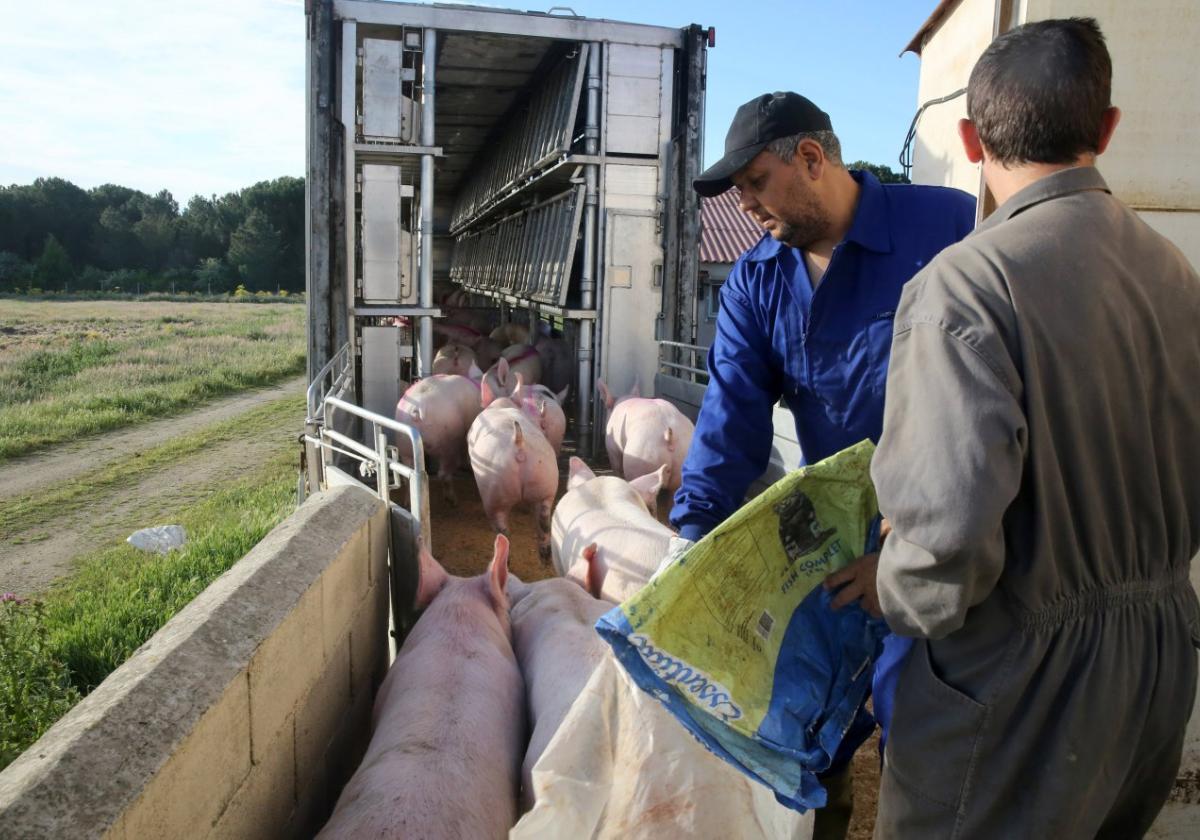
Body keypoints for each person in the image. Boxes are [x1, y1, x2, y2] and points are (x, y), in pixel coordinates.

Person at [868, 17, 1200, 838]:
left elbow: (946, 542)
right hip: (1158, 663)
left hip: (1019, 685)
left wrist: (891, 589)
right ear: (1108, 128)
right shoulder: (1174, 273)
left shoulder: (969, 285)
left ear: (971, 138)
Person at [668, 90, 975, 838]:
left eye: (755, 184)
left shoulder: (948, 229)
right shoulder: (758, 280)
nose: (746, 207)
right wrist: (689, 535)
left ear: (811, 158)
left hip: (946, 530)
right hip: (836, 540)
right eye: (737, 192)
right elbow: (730, 417)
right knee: (816, 727)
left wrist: (909, 558)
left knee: (926, 723)